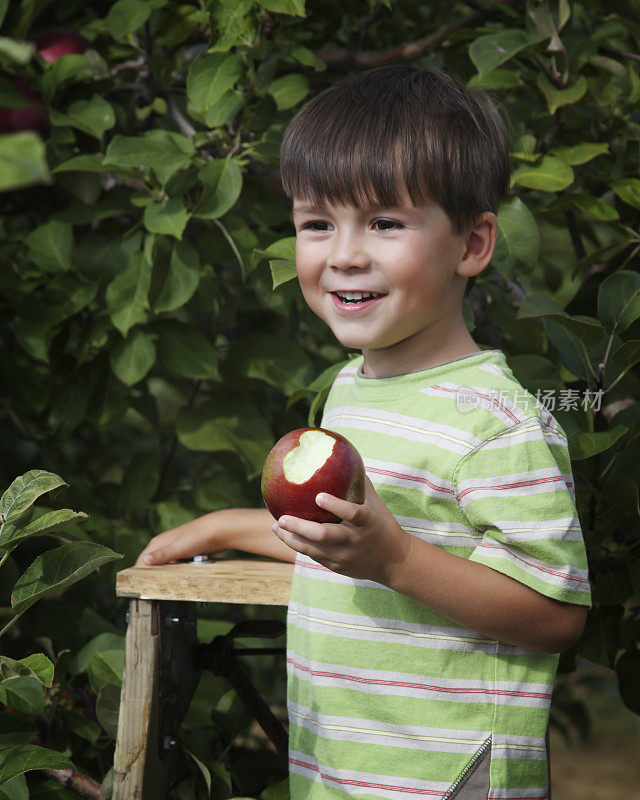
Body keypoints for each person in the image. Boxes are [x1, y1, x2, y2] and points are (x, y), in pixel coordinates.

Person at [137, 64, 591, 800]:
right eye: (318, 223)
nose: (344, 253)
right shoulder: (352, 389)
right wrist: (225, 525)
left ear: (472, 247)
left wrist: (396, 561)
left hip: (449, 775)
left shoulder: (495, 419)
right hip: (344, 766)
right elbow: (351, 536)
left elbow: (555, 615)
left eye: (384, 222)